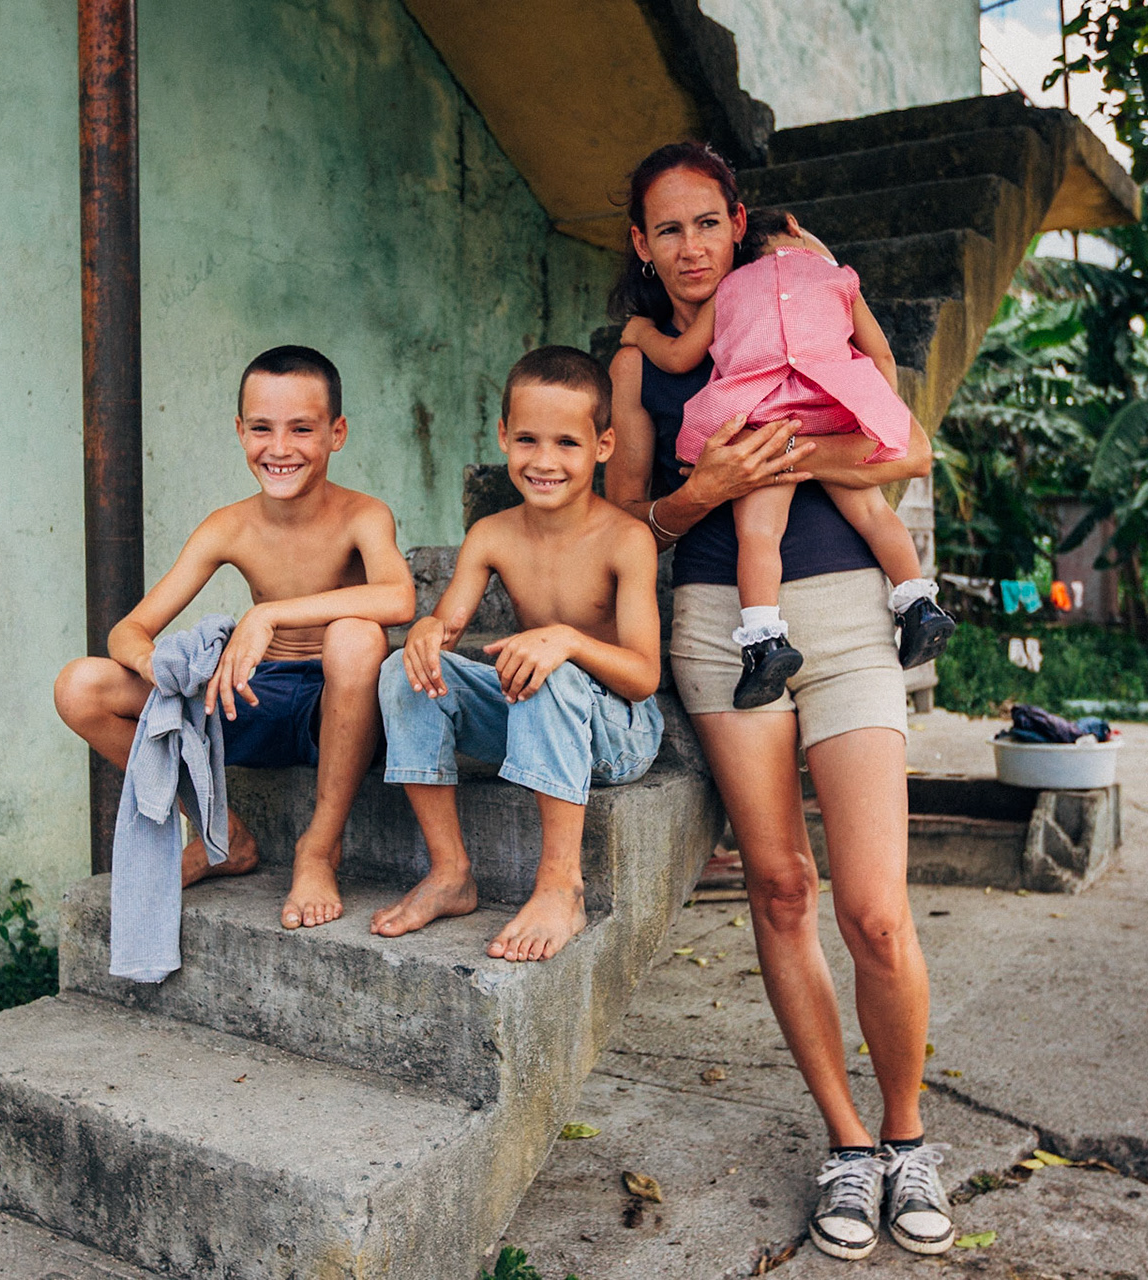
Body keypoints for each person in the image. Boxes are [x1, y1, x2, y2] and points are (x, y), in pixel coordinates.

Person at [604, 143, 954, 1261]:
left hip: (850, 619)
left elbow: (912, 446)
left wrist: (797, 448)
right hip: (721, 624)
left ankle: (908, 1135)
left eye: (707, 222)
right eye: (668, 229)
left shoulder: (796, 301)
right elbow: (623, 516)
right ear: (640, 245)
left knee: (878, 911)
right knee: (781, 884)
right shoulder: (643, 361)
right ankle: (848, 1142)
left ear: (737, 221)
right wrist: (700, 491)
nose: (691, 247)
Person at [53, 345, 415, 931]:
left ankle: (318, 849)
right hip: (249, 699)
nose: (280, 448)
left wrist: (270, 615)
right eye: (262, 429)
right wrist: (158, 668)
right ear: (240, 431)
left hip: (339, 711)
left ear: (336, 433)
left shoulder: (363, 515)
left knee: (356, 637)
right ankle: (225, 833)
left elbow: (399, 598)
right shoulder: (229, 526)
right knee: (80, 687)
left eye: (302, 429)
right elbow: (128, 629)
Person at [373, 346, 664, 963]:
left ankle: (562, 886)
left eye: (567, 443)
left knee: (550, 668)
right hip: (533, 714)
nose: (544, 461)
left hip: (616, 732)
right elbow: (446, 629)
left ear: (603, 446)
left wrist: (571, 640)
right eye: (528, 440)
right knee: (403, 669)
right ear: (503, 436)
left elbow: (643, 677)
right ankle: (451, 872)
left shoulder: (626, 540)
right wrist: (426, 630)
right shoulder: (493, 534)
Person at [620, 207, 953, 708]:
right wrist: (869, 408)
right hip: (836, 410)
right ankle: (918, 602)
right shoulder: (837, 277)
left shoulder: (730, 288)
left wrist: (639, 333)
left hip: (765, 422)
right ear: (796, 227)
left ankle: (763, 639)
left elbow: (680, 356)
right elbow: (882, 354)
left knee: (757, 533)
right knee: (872, 511)